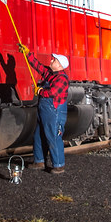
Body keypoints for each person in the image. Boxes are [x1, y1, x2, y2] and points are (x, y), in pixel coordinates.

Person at [19, 45, 70, 173]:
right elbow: (39, 66)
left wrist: (41, 91)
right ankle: (39, 161)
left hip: (54, 112)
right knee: (38, 136)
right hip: (46, 110)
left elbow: (53, 92)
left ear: (60, 65)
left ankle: (59, 165)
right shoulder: (51, 74)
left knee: (53, 136)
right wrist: (27, 54)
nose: (51, 60)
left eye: (54, 60)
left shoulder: (62, 79)